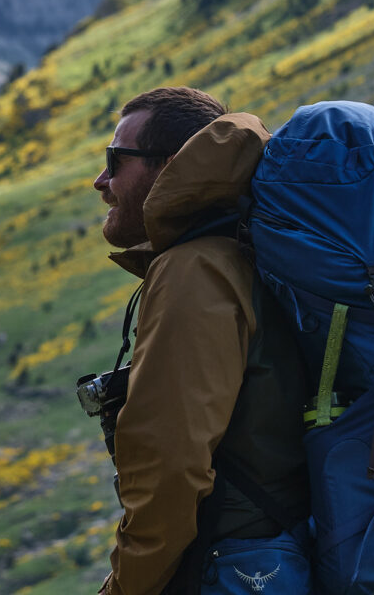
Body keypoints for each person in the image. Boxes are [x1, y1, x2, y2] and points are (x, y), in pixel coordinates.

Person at [93, 87, 309, 595]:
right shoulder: (247, 249)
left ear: (169, 166)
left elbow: (170, 471)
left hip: (230, 570)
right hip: (284, 556)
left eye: (115, 160)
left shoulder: (194, 272)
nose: (101, 181)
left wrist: (123, 589)